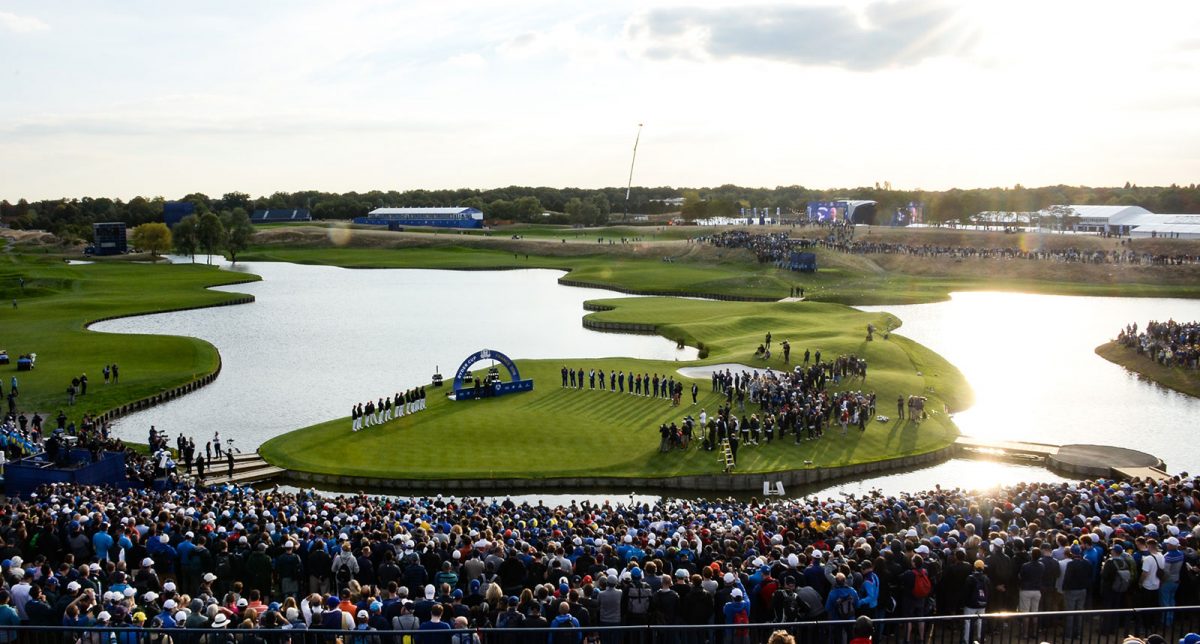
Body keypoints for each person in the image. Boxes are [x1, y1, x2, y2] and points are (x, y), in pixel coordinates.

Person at [962, 559, 988, 644]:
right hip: (982, 603)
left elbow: (966, 592)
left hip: (970, 604)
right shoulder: (986, 578)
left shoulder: (970, 578)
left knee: (968, 621)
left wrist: (964, 602)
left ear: (974, 567)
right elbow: (989, 591)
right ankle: (981, 638)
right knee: (980, 621)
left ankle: (967, 639)